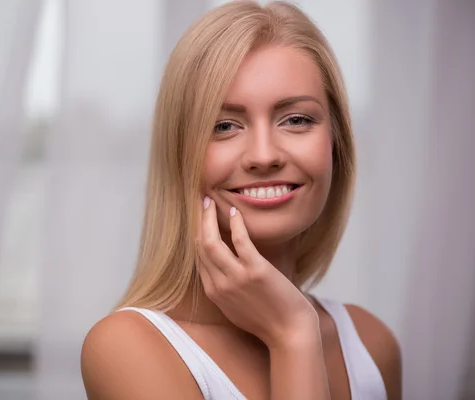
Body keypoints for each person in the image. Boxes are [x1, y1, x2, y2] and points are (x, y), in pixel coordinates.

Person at [81, 1, 402, 399]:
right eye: (224, 125)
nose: (264, 155)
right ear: (181, 155)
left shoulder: (372, 344)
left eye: (297, 120)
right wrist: (293, 336)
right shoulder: (128, 348)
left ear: (336, 143)